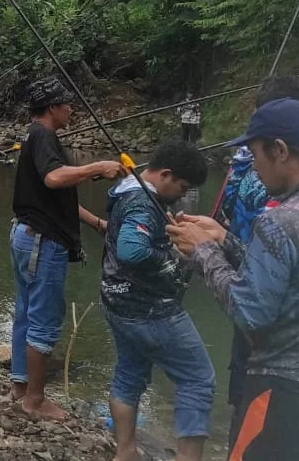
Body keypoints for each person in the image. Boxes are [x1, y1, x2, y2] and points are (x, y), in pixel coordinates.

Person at [167, 99, 299, 461]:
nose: (255, 166)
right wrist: (225, 240)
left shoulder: (279, 221)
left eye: (255, 154)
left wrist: (204, 253)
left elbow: (251, 312)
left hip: (289, 401)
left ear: (279, 150)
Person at [10, 76, 126, 421]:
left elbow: (55, 193)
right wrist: (98, 166)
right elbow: (54, 179)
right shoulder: (44, 136)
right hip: (42, 243)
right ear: (51, 108)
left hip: (26, 235)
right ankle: (34, 400)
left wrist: (96, 224)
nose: (70, 109)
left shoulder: (34, 135)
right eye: (66, 104)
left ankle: (19, 388)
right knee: (43, 320)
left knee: (26, 313)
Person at [218, 76, 299, 450]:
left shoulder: (243, 166)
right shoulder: (276, 187)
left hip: (248, 304)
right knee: (264, 415)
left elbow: (226, 215)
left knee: (244, 404)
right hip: (276, 323)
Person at [101, 140, 213, 461]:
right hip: (150, 311)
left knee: (129, 374)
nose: (183, 195)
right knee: (197, 379)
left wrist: (166, 229)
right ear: (165, 174)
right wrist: (173, 256)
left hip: (117, 303)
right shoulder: (140, 202)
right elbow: (131, 249)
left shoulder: (127, 191)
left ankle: (125, 452)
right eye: (183, 187)